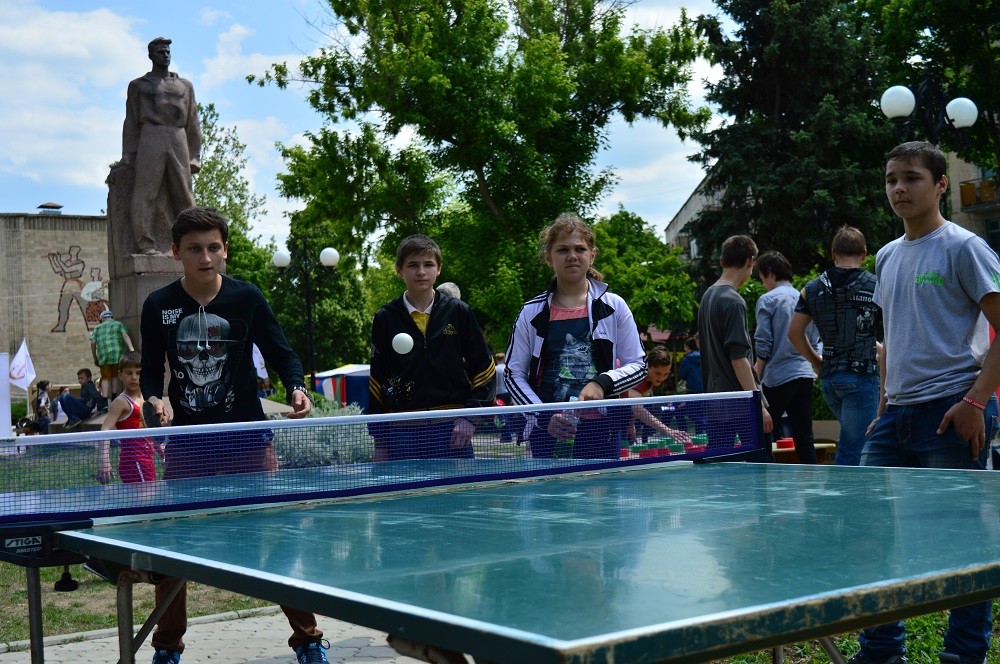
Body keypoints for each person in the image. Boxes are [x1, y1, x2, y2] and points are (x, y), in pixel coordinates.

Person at [140, 207, 328, 664]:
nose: (205, 257)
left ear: (225, 249)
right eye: (194, 249)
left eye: (213, 247)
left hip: (247, 440)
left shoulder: (247, 297)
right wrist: (154, 399)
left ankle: (308, 640)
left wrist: (297, 387)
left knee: (276, 535)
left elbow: (282, 353)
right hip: (188, 445)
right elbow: (149, 372)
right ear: (176, 253)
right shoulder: (158, 305)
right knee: (176, 549)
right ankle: (167, 648)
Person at [849, 141, 1000, 664]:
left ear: (940, 184)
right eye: (891, 179)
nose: (899, 188)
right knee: (871, 531)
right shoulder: (887, 255)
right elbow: (891, 341)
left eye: (911, 178)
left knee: (963, 546)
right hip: (896, 417)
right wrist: (882, 408)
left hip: (952, 410)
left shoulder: (965, 248)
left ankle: (963, 655)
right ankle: (881, 651)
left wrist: (976, 402)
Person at [504, 213, 646, 459]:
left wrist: (602, 383)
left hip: (603, 430)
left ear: (592, 255)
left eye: (580, 249)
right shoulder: (530, 313)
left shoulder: (614, 306)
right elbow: (513, 374)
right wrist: (543, 416)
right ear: (549, 258)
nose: (572, 256)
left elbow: (639, 365)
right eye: (562, 249)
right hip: (548, 432)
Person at [367, 235, 495, 460]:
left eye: (428, 264)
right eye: (412, 265)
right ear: (399, 270)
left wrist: (470, 419)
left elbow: (485, 369)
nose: (421, 272)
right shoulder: (385, 317)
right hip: (402, 432)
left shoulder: (459, 312)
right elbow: (378, 380)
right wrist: (380, 440)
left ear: (439, 269)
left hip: (452, 430)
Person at [787, 226, 881, 466]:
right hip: (861, 377)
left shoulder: (811, 289)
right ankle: (842, 492)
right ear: (864, 254)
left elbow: (794, 333)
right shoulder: (876, 285)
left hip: (829, 380)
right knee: (853, 450)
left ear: (833, 253)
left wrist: (817, 363)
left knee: (855, 440)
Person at [122, 37, 201, 255]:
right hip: (151, 134)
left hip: (178, 135)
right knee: (146, 192)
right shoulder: (138, 86)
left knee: (184, 193)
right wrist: (128, 153)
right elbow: (130, 120)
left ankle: (192, 240)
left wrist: (195, 155)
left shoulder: (184, 85)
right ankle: (145, 243)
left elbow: (193, 121)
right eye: (160, 52)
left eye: (167, 52)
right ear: (151, 55)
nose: (165, 56)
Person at [697, 235, 773, 436]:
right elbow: (739, 359)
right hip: (740, 407)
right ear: (750, 261)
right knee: (760, 455)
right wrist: (759, 405)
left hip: (714, 403)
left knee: (720, 456)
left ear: (722, 261)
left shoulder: (707, 297)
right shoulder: (733, 301)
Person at [753, 251, 821, 463]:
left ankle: (765, 479)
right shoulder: (805, 297)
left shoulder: (768, 300)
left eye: (762, 277)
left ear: (770, 273)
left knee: (762, 431)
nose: (763, 283)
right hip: (804, 374)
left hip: (778, 376)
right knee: (804, 437)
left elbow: (764, 342)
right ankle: (812, 481)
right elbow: (816, 339)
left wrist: (756, 374)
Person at [97, 352, 162, 484]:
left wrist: (161, 451)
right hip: (134, 462)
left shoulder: (146, 400)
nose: (134, 377)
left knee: (151, 496)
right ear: (120, 374)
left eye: (138, 373)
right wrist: (104, 460)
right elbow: (105, 430)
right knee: (147, 496)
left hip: (147, 460)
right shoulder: (121, 402)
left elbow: (149, 431)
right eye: (129, 373)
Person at [621, 346, 692, 446]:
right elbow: (637, 409)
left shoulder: (650, 381)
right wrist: (668, 431)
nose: (661, 378)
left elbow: (632, 406)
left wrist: (631, 423)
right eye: (658, 373)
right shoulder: (636, 379)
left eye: (666, 374)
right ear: (648, 366)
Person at [90, 310, 135, 400]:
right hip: (117, 354)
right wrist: (131, 349)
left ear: (102, 319)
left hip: (103, 355)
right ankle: (114, 395)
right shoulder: (118, 324)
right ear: (112, 317)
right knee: (115, 375)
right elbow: (125, 335)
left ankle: (105, 398)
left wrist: (95, 357)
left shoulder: (97, 328)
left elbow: (93, 342)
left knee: (105, 377)